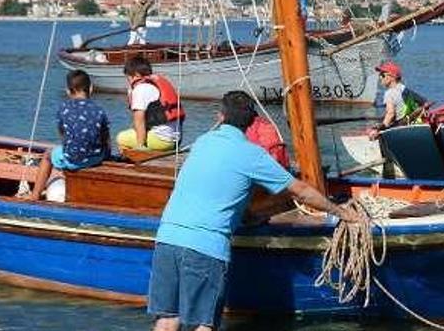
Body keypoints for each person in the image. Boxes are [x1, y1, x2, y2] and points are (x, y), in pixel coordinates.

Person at [148, 91, 360, 331]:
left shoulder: (202, 142)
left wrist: (246, 214)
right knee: (203, 324)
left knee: (167, 319)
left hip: (167, 239)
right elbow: (299, 190)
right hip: (205, 246)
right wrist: (341, 212)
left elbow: (219, 185)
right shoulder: (252, 155)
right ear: (251, 123)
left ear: (220, 117)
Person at [30, 70, 109, 201]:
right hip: (95, 158)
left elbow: (63, 134)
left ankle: (35, 195)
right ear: (91, 88)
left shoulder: (64, 108)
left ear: (68, 91)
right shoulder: (99, 109)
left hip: (72, 158)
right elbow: (105, 136)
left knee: (47, 156)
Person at [117, 56, 184, 152]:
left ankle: (137, 161)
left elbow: (139, 121)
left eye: (128, 77)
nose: (128, 82)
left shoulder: (140, 89)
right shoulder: (154, 84)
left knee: (121, 138)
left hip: (162, 140)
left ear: (135, 75)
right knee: (133, 133)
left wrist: (140, 145)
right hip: (176, 140)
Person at [368, 61, 426, 139]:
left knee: (371, 131)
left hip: (401, 129)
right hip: (413, 125)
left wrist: (379, 129)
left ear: (392, 77)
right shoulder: (405, 89)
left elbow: (390, 114)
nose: (380, 78)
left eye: (382, 75)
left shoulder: (389, 93)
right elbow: (424, 103)